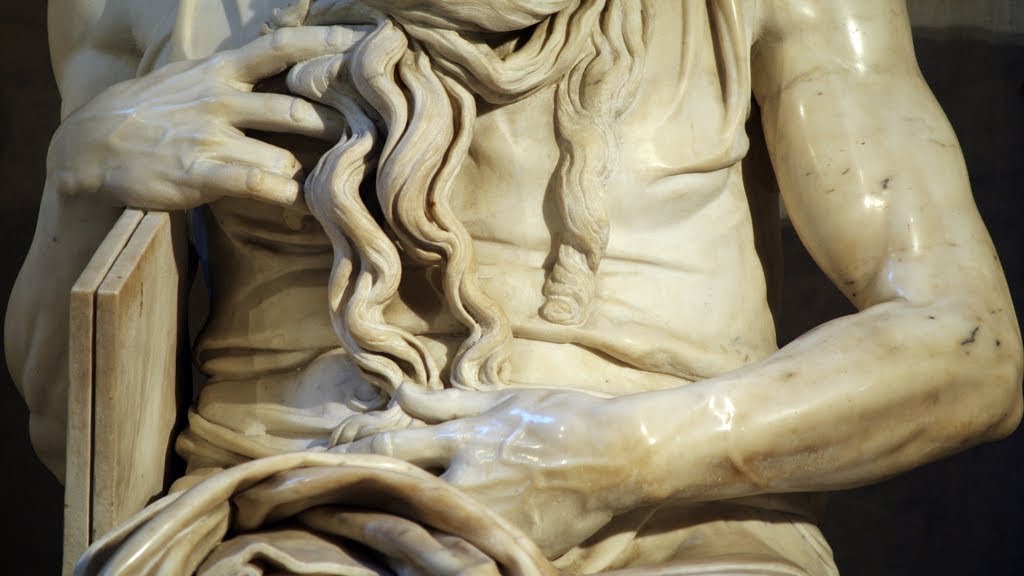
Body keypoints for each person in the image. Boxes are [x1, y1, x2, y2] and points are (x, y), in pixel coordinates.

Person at [6, 0, 1021, 573]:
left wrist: (617, 457)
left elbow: (968, 344)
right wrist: (81, 179)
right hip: (291, 522)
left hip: (677, 524)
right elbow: (73, 439)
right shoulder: (145, 8)